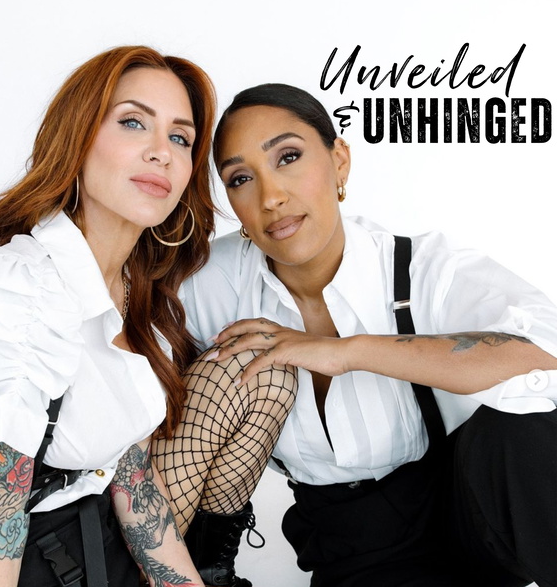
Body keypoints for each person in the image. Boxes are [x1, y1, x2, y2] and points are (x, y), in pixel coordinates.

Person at [156, 83, 557, 587]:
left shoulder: (420, 268)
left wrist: (347, 352)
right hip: (352, 547)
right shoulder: (211, 286)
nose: (271, 197)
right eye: (240, 178)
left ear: (339, 161)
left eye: (288, 157)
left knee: (524, 427)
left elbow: (544, 354)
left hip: (468, 517)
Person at [0, 44, 217, 587]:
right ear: (77, 139)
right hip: (28, 559)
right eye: (132, 123)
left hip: (101, 540)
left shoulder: (139, 293)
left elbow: (132, 482)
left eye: (180, 137)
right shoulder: (22, 286)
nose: (162, 153)